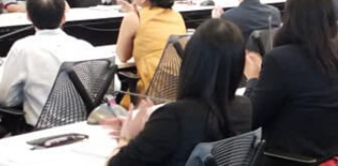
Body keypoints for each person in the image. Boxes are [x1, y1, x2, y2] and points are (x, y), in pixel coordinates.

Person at [107, 19, 252, 166]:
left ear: (190, 61)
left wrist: (126, 137)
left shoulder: (174, 117)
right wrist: (149, 130)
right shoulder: (244, 107)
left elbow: (116, 164)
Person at [244, 0, 338, 164]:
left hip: (289, 159)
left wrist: (253, 78)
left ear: (291, 17)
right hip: (334, 155)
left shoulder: (279, 60)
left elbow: (251, 119)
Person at [0, 0, 98, 127]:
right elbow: (112, 87)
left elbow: (6, 99)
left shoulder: (22, 48)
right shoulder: (85, 47)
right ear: (64, 17)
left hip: (40, 134)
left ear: (28, 17)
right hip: (82, 130)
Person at [114, 0, 187, 96]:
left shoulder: (134, 18)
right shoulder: (177, 16)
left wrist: (132, 14)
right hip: (180, 89)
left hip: (151, 92)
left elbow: (122, 56)